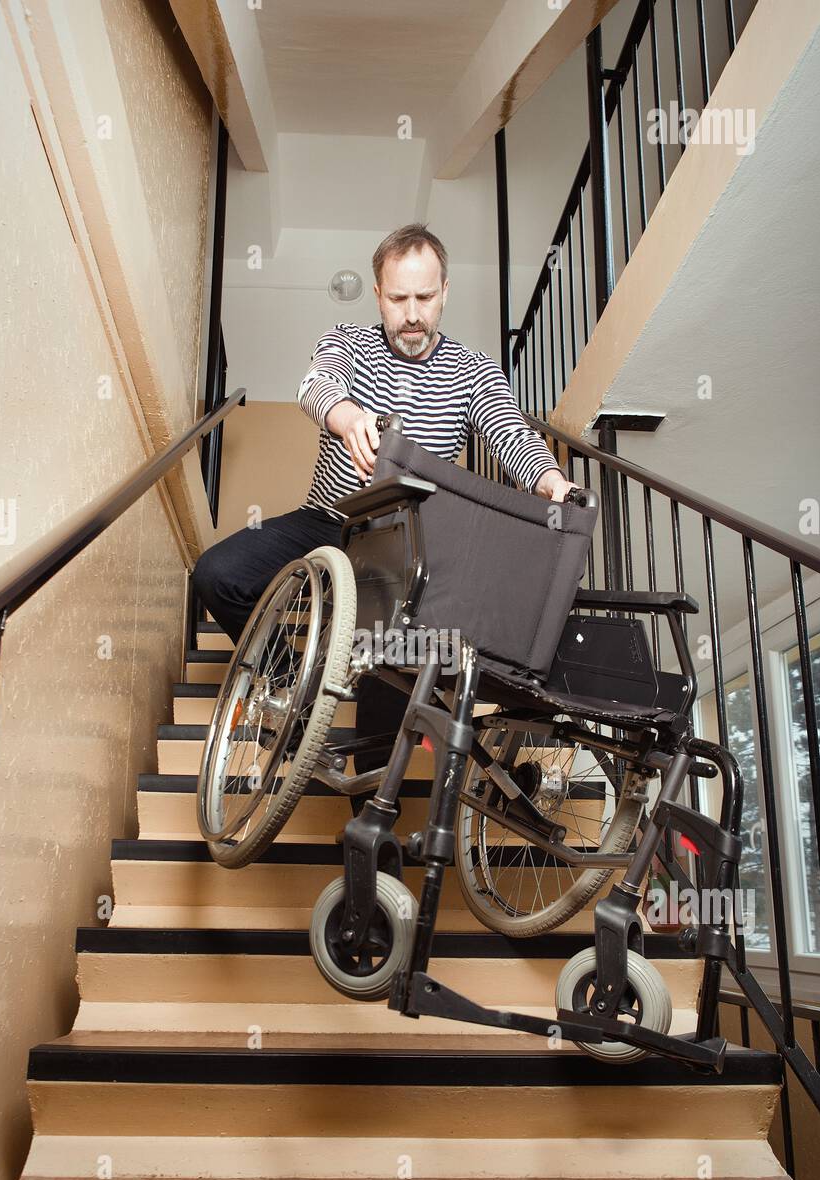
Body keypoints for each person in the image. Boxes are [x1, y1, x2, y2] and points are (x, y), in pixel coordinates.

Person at [193, 223, 576, 813]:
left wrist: (551, 482)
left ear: (444, 292)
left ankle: (371, 856)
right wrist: (344, 415)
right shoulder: (347, 340)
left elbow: (508, 432)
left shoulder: (473, 369)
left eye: (424, 298)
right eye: (399, 299)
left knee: (383, 687)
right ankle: (294, 686)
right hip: (328, 523)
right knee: (217, 573)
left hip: (404, 551)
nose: (413, 314)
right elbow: (316, 384)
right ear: (378, 295)